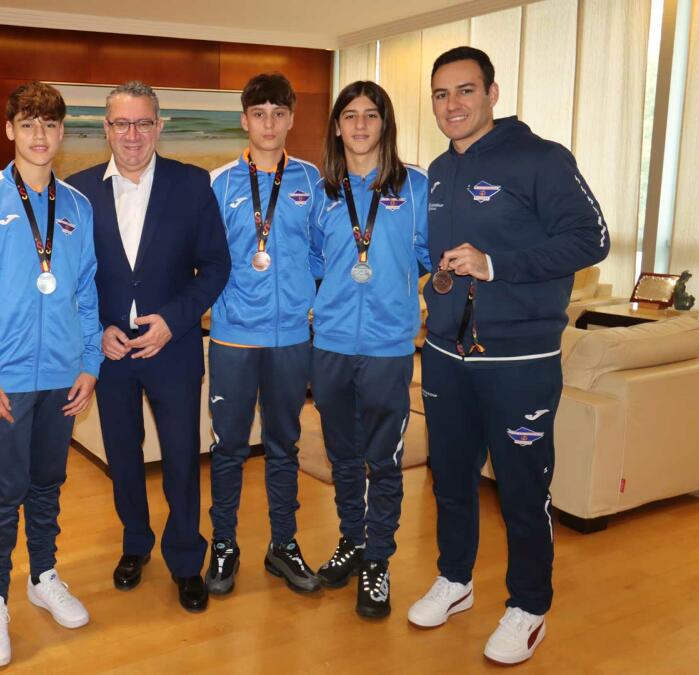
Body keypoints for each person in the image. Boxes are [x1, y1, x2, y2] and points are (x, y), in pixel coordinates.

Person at [407, 46, 609, 664]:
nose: (452, 105)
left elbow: (591, 238)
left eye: (465, 91)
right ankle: (456, 579)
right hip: (445, 355)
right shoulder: (438, 172)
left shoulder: (542, 160)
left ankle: (529, 605)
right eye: (441, 94)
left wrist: (497, 266)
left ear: (493, 93)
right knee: (452, 480)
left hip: (518, 361)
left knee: (523, 489)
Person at [0, 81, 102, 668]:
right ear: (9, 129)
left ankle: (42, 575)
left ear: (62, 133)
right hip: (2, 380)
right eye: (29, 123)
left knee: (46, 484)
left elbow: (87, 293)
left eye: (51, 124)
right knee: (2, 492)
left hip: (62, 376)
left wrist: (90, 364)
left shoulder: (78, 207)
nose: (41, 135)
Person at [66, 81, 230, 612]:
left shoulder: (191, 184)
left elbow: (215, 267)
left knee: (182, 459)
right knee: (123, 457)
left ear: (159, 126)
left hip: (173, 349)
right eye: (120, 123)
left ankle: (186, 559)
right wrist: (97, 330)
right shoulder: (77, 192)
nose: (132, 135)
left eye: (142, 123)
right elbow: (71, 278)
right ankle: (136, 543)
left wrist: (175, 321)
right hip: (110, 353)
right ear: (105, 129)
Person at [308, 81, 430, 618]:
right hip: (330, 343)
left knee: (385, 460)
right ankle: (352, 541)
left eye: (371, 115)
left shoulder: (419, 186)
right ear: (337, 126)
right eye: (350, 116)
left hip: (387, 347)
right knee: (342, 456)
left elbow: (426, 255)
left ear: (386, 124)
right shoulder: (321, 191)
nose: (360, 125)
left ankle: (378, 561)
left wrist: (392, 292)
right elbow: (315, 260)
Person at [205, 72, 321, 596]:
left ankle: (284, 544)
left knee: (284, 445)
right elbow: (204, 261)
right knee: (228, 447)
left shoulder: (313, 181)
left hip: (293, 338)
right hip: (232, 338)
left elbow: (325, 252)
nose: (269, 123)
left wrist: (310, 302)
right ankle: (225, 545)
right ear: (244, 120)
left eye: (279, 114)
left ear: (291, 119)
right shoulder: (219, 182)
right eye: (259, 114)